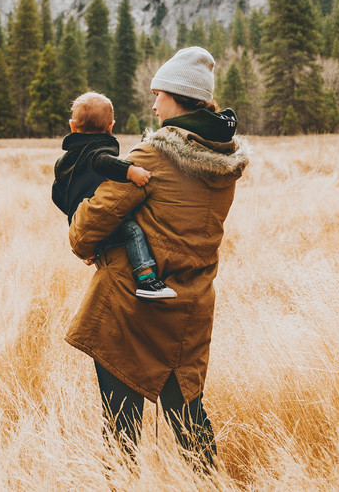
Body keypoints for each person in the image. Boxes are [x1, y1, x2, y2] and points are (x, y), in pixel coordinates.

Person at [65, 46, 248, 470]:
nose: (153, 104)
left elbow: (88, 226)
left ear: (179, 98)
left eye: (159, 94)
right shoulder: (223, 161)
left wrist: (83, 235)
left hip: (131, 309)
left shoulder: (152, 156)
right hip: (190, 309)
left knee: (120, 431)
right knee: (189, 422)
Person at [52, 91, 176, 299]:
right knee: (132, 230)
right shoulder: (97, 150)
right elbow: (102, 161)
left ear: (72, 127)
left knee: (108, 244)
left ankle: (93, 249)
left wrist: (74, 214)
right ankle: (146, 279)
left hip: (79, 220)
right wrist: (131, 171)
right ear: (111, 126)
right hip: (98, 218)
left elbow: (57, 194)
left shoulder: (65, 161)